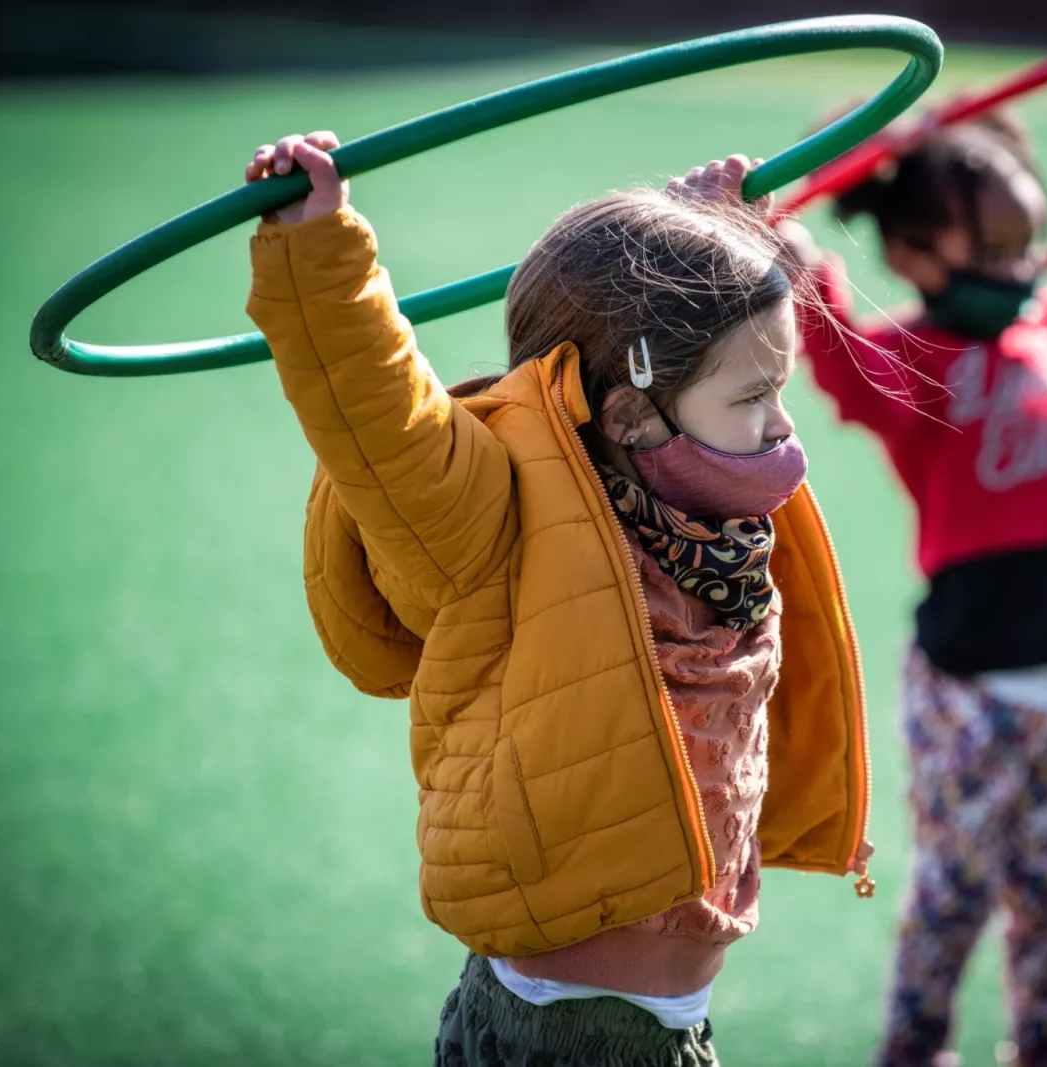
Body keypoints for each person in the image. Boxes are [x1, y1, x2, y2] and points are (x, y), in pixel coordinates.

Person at [244, 134, 873, 1066]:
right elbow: (381, 420)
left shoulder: (713, 529)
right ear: (627, 416)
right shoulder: (498, 520)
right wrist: (321, 249)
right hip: (566, 1026)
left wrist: (707, 230)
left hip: (663, 1020)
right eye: (754, 396)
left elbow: (669, 311)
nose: (780, 421)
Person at [778, 108, 1047, 1067]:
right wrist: (806, 267)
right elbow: (844, 364)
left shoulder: (1046, 328)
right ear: (913, 252)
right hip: (969, 692)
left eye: (1032, 243)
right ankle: (914, 1046)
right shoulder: (915, 363)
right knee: (954, 890)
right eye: (996, 246)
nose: (1024, 269)